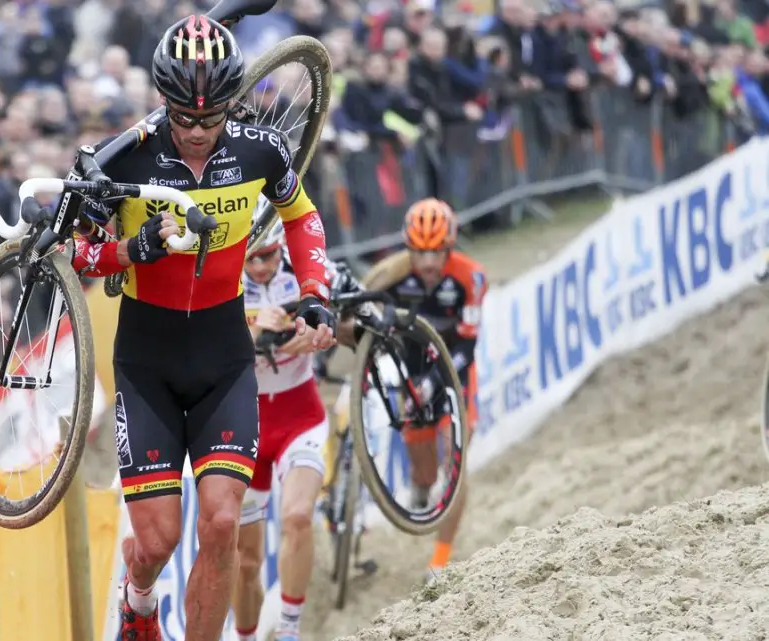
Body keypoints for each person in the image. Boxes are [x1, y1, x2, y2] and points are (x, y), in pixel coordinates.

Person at [67, 15, 336, 640]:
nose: (194, 131)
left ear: (231, 104)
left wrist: (316, 290)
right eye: (182, 118)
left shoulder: (258, 149)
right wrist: (133, 250)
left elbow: (303, 217)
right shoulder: (125, 155)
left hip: (223, 358)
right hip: (146, 361)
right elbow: (81, 256)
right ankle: (138, 603)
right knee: (156, 541)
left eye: (209, 118)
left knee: (221, 525)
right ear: (162, 102)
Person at [337, 198, 487, 586]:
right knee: (423, 470)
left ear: (450, 246)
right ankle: (421, 487)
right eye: (420, 253)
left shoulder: (470, 278)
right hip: (410, 369)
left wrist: (436, 383)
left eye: (437, 252)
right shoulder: (390, 274)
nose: (429, 263)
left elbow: (469, 347)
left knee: (457, 461)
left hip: (453, 369)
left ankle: (440, 557)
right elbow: (350, 314)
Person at [233, 225, 329, 641]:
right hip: (243, 427)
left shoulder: (300, 270)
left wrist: (317, 329)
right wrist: (255, 333)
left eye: (268, 256)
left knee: (297, 517)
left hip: (298, 416)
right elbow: (207, 347)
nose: (259, 266)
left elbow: (338, 309)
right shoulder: (224, 280)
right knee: (247, 560)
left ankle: (289, 631)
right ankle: (246, 636)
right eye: (251, 258)